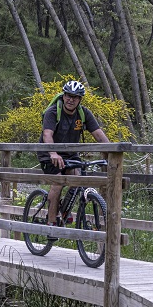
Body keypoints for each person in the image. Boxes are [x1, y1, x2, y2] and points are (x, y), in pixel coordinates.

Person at [37, 80, 110, 227]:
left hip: (70, 155)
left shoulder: (83, 113)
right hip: (49, 153)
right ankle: (51, 222)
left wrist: (113, 152)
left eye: (75, 97)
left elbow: (99, 135)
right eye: (68, 96)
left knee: (78, 179)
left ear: (79, 100)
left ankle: (63, 211)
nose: (71, 99)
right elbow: (47, 135)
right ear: (63, 96)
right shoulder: (53, 112)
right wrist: (53, 153)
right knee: (58, 183)